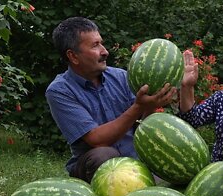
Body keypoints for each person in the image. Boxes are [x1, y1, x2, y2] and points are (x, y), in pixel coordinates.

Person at [46, 17, 175, 182]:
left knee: (167, 182)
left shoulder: (121, 77)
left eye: (101, 43)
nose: (104, 51)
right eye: (95, 45)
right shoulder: (60, 91)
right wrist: (138, 106)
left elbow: (141, 125)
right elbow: (97, 140)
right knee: (104, 155)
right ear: (73, 56)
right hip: (96, 165)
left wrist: (151, 105)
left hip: (135, 161)